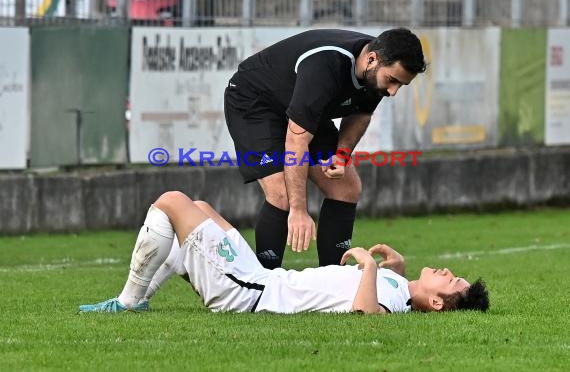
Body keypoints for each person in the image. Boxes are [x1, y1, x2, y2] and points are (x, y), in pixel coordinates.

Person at [79, 191, 489, 315]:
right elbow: (385, 292)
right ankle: (141, 301)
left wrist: (368, 266)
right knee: (200, 209)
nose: (448, 270)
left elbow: (366, 315)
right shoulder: (399, 288)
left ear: (436, 302)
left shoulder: (394, 301)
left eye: (450, 280)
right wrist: (395, 269)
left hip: (250, 292)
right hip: (258, 279)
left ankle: (128, 302)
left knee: (170, 202)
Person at [224, 28, 426, 269]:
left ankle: (334, 280)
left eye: (401, 85)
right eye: (392, 81)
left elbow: (361, 114)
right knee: (282, 195)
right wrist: (299, 210)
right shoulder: (326, 65)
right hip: (255, 103)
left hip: (301, 108)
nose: (393, 92)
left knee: (347, 187)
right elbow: (296, 142)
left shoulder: (376, 73)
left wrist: (341, 155)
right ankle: (262, 286)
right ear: (371, 59)